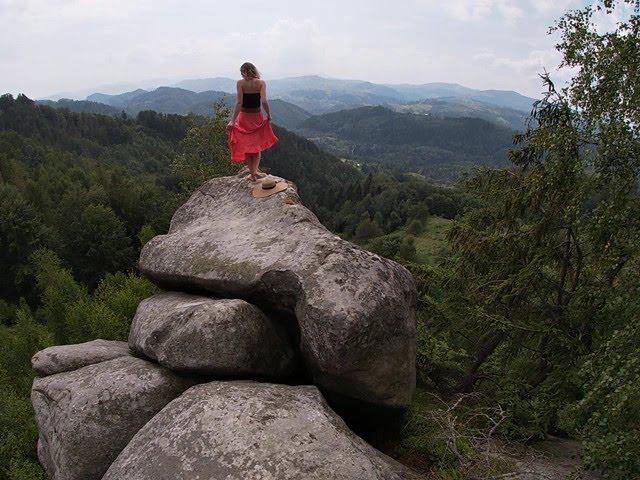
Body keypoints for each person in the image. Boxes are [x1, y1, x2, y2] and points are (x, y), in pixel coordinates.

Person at [226, 62, 278, 182]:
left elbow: (239, 102)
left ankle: (252, 173)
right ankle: (254, 172)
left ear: (243, 72)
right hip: (256, 116)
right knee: (256, 146)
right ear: (254, 70)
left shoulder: (240, 83)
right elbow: (264, 101)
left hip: (243, 117)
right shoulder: (261, 83)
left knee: (246, 146)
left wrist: (232, 121)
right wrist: (269, 115)